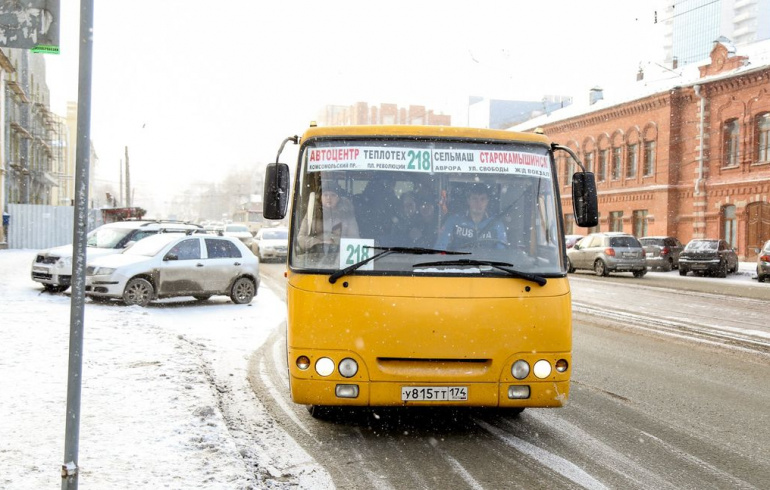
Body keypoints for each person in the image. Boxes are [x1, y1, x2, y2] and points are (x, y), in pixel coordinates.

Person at [434, 183, 507, 251]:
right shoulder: (453, 221)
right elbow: (441, 247)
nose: (478, 203)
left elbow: (501, 253)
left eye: (482, 199)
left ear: (487, 201)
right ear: (468, 200)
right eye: (474, 199)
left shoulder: (496, 225)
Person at [297, 180, 359, 252]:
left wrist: (335, 242)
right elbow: (301, 238)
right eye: (325, 195)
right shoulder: (312, 214)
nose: (329, 198)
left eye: (333, 195)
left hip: (340, 255)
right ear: (320, 197)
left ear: (338, 198)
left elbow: (355, 239)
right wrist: (319, 243)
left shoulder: (347, 214)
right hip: (314, 257)